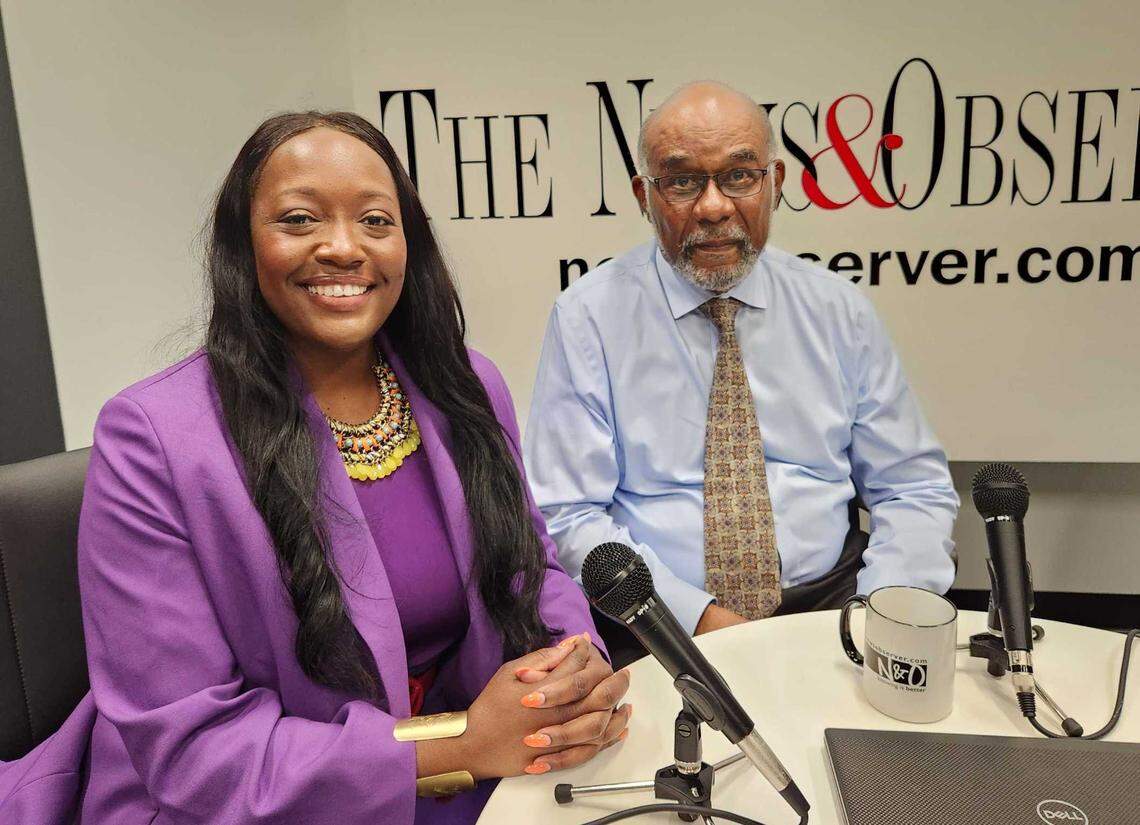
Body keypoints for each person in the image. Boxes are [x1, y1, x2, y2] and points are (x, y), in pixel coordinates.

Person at [0, 112, 630, 824]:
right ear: (243, 244)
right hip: (261, 800)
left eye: (375, 220)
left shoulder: (466, 383)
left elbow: (532, 566)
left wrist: (568, 671)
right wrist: (458, 744)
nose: (342, 247)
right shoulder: (151, 438)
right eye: (300, 219)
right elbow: (194, 752)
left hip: (482, 768)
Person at [523, 81, 959, 646]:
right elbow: (567, 512)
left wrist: (881, 616)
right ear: (644, 196)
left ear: (773, 184)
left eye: (739, 176)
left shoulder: (837, 309)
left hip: (832, 608)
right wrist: (698, 619)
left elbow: (912, 488)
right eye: (681, 181)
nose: (713, 207)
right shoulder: (589, 318)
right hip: (656, 618)